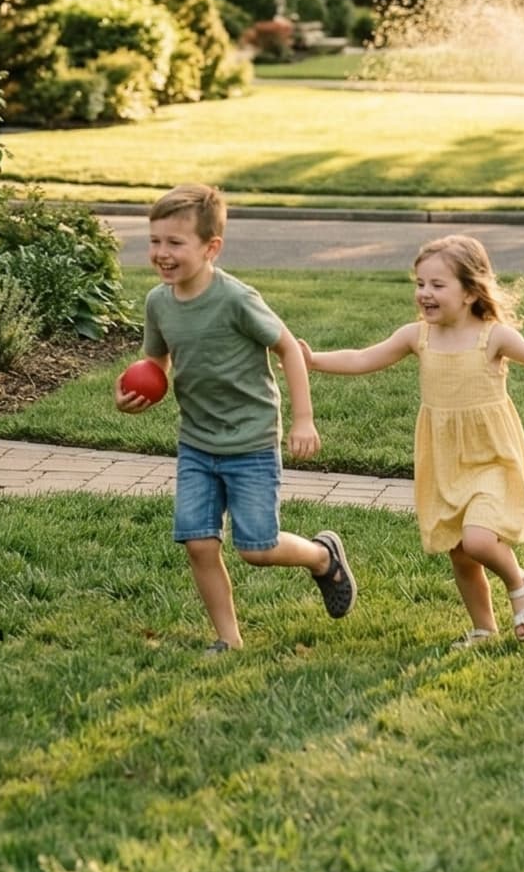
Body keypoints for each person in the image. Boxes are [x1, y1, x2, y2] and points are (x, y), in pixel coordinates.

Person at [304, 235, 524, 645]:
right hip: (444, 459)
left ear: (470, 291)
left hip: (490, 456)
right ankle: (483, 628)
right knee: (460, 552)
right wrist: (313, 360)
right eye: (420, 283)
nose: (425, 293)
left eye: (437, 285)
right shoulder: (418, 336)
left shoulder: (493, 337)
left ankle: (520, 583)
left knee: (479, 540)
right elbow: (363, 357)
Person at [116, 183, 356, 652]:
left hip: (251, 442)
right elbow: (155, 363)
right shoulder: (158, 302)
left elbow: (288, 348)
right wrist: (132, 388)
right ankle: (229, 639)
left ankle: (321, 557)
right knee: (198, 543)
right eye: (155, 241)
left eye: (175, 242)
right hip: (197, 443)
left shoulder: (236, 299)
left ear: (211, 248)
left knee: (257, 549)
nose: (162, 253)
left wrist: (304, 419)